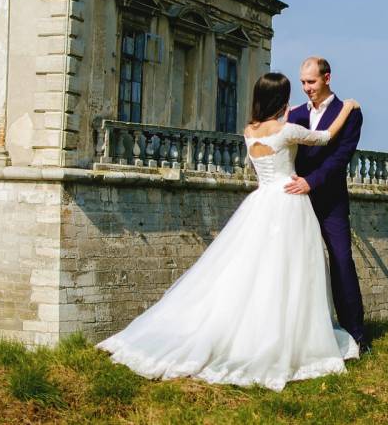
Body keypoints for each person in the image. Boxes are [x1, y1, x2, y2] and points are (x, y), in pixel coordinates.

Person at [96, 72, 361, 391]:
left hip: (260, 201)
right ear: (282, 100)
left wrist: (284, 113)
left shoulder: (250, 131)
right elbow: (326, 137)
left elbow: (275, 135)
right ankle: (288, 333)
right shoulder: (287, 130)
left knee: (251, 270)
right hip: (288, 201)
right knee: (289, 271)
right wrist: (348, 107)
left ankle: (256, 329)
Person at [284, 57, 368, 352]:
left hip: (331, 200)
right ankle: (300, 335)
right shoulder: (294, 114)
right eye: (303, 82)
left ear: (327, 78)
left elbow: (341, 157)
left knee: (342, 261)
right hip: (296, 199)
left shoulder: (350, 113)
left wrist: (311, 181)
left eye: (311, 81)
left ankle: (356, 335)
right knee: (297, 263)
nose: (306, 87)